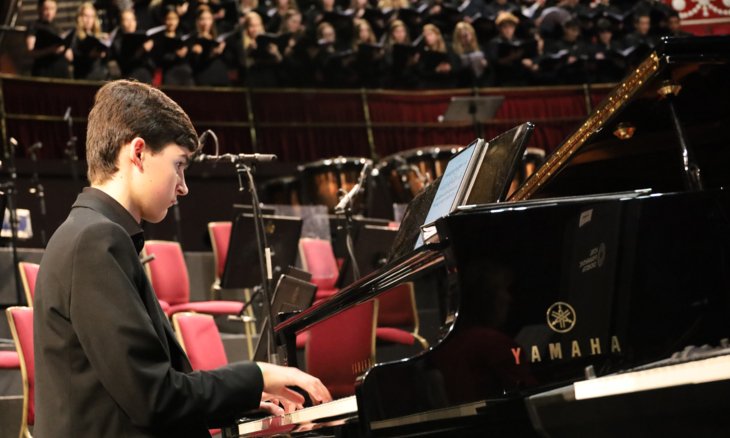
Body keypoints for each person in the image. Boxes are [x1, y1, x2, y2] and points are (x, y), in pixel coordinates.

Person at [33, 80, 332, 437]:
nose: (183, 185)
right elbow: (154, 398)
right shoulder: (95, 240)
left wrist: (240, 399)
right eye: (179, 165)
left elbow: (143, 392)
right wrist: (258, 375)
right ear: (138, 152)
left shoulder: (93, 233)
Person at [26, 0, 73, 78]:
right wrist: (50, 50)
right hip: (44, 72)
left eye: (52, 9)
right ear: (39, 9)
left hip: (61, 73)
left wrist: (67, 49)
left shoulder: (58, 28)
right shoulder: (34, 26)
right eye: (46, 9)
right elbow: (31, 52)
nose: (49, 12)